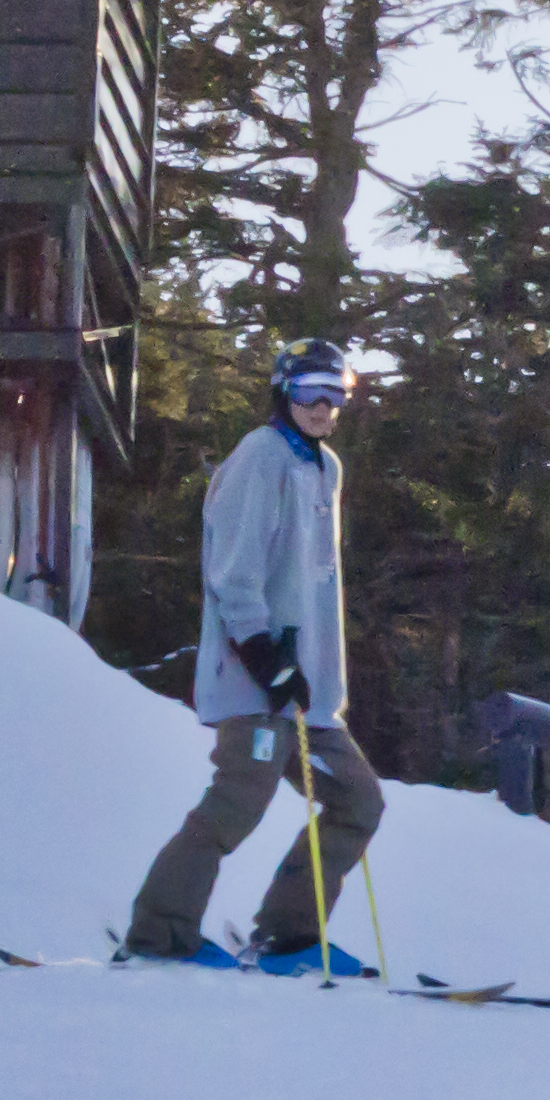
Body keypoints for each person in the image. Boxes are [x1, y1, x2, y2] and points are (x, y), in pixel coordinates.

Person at [120, 337, 386, 973]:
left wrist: (305, 674)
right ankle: (159, 933)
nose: (322, 407)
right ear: (283, 393)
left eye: (336, 394)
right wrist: (267, 659)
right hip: (256, 681)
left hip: (308, 692)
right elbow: (233, 574)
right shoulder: (259, 458)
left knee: (358, 802)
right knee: (238, 802)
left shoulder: (324, 466)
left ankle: (287, 938)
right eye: (309, 392)